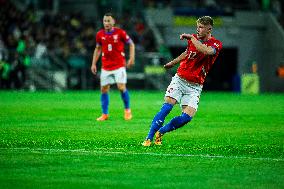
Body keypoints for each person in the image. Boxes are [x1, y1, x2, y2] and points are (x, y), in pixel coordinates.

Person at [142, 16, 222, 146]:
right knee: (166, 108)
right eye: (197, 27)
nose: (198, 30)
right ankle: (148, 138)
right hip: (180, 80)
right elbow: (187, 53)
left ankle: (161, 132)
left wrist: (192, 38)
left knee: (186, 117)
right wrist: (172, 63)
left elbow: (206, 51)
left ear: (209, 29)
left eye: (201, 27)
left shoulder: (215, 44)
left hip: (195, 87)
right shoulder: (194, 40)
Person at [91, 12, 135, 121]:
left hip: (119, 65)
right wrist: (93, 63)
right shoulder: (99, 34)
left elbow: (131, 44)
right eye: (105, 21)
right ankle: (105, 114)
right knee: (104, 89)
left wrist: (131, 58)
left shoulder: (120, 33)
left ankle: (127, 110)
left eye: (108, 21)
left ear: (113, 21)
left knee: (121, 87)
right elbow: (97, 49)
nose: (106, 23)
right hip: (106, 66)